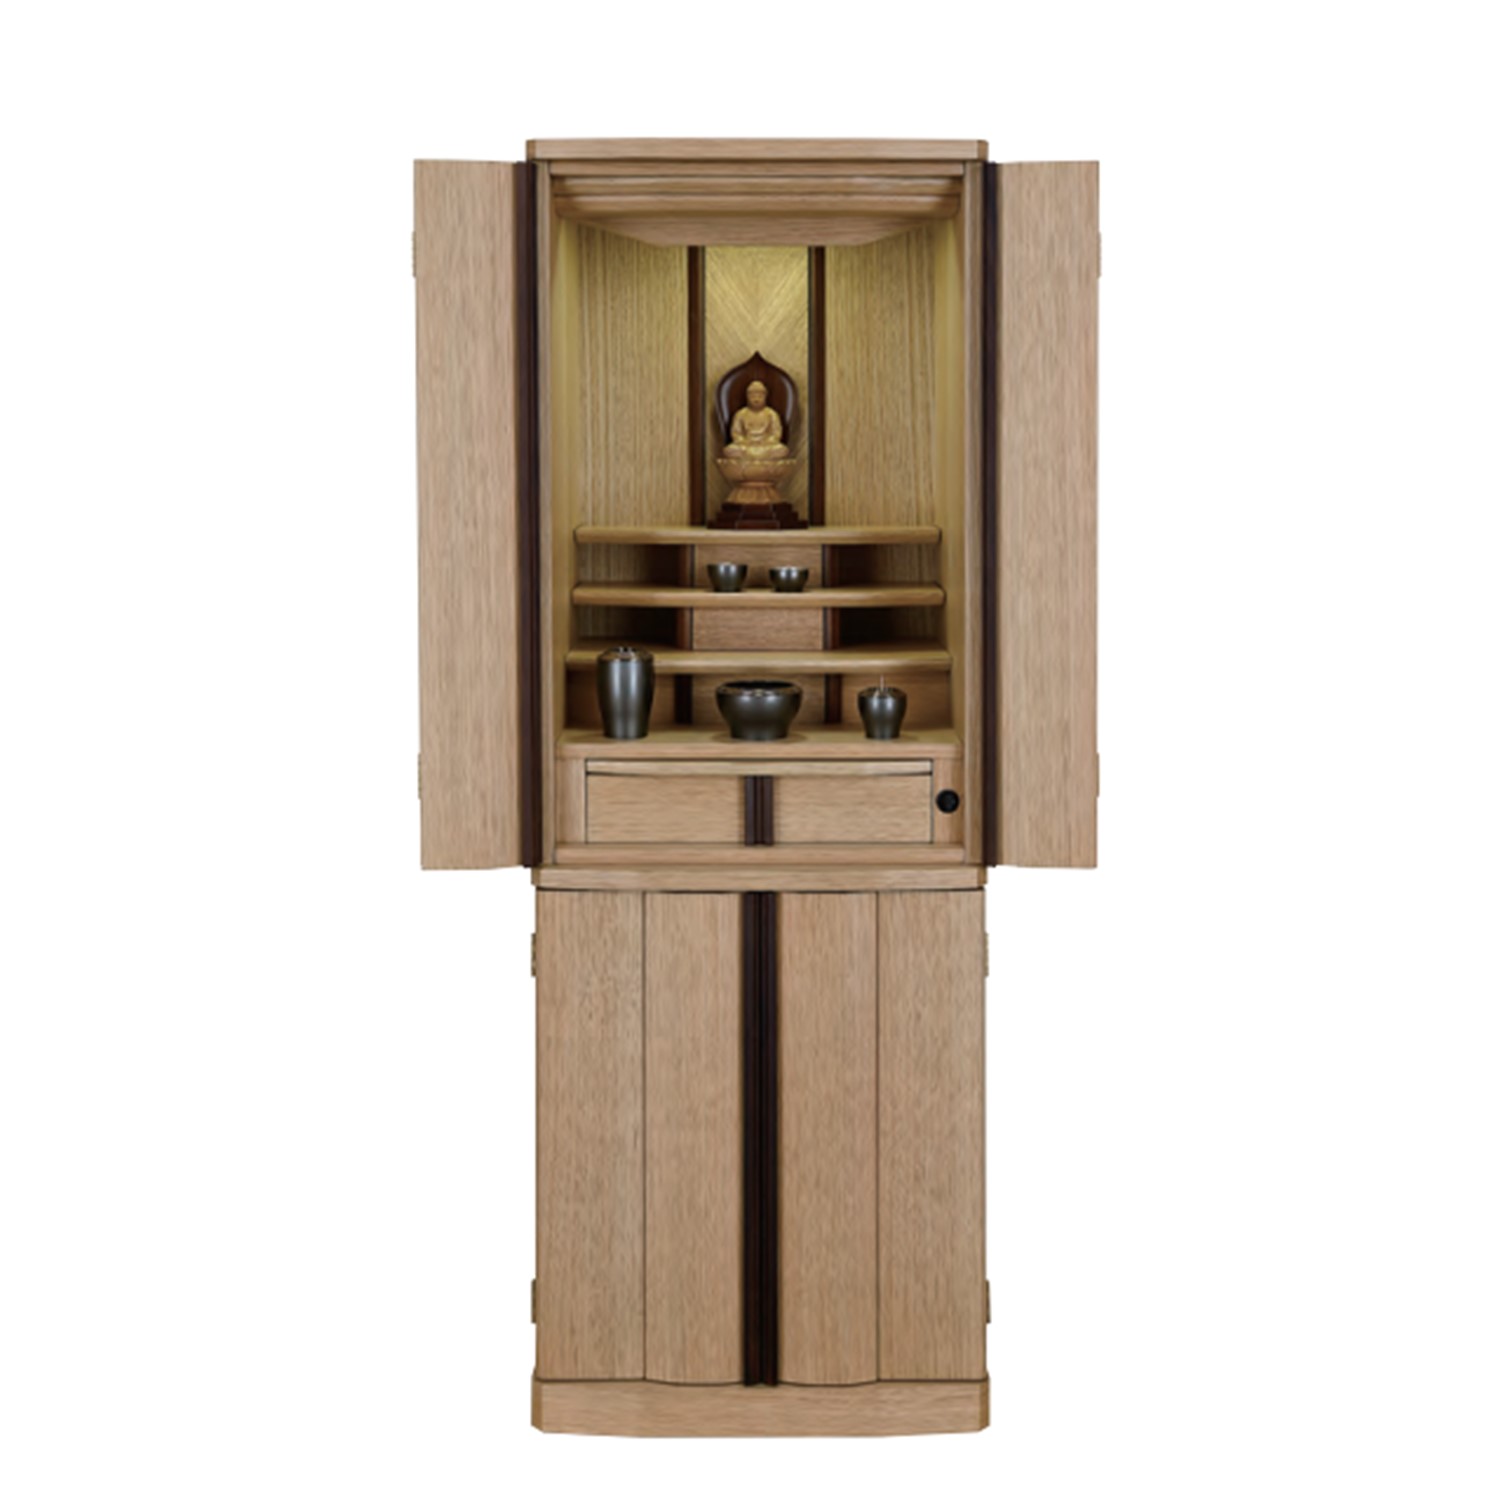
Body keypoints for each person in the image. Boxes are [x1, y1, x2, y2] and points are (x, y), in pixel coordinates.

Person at [722, 381, 789, 459]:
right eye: (753, 397)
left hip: (766, 446)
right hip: (746, 446)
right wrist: (744, 441)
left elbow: (776, 433)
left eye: (760, 397)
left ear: (765, 397)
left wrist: (768, 441)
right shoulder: (741, 414)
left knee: (781, 449)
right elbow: (736, 433)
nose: (756, 399)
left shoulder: (771, 414)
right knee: (730, 449)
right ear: (747, 397)